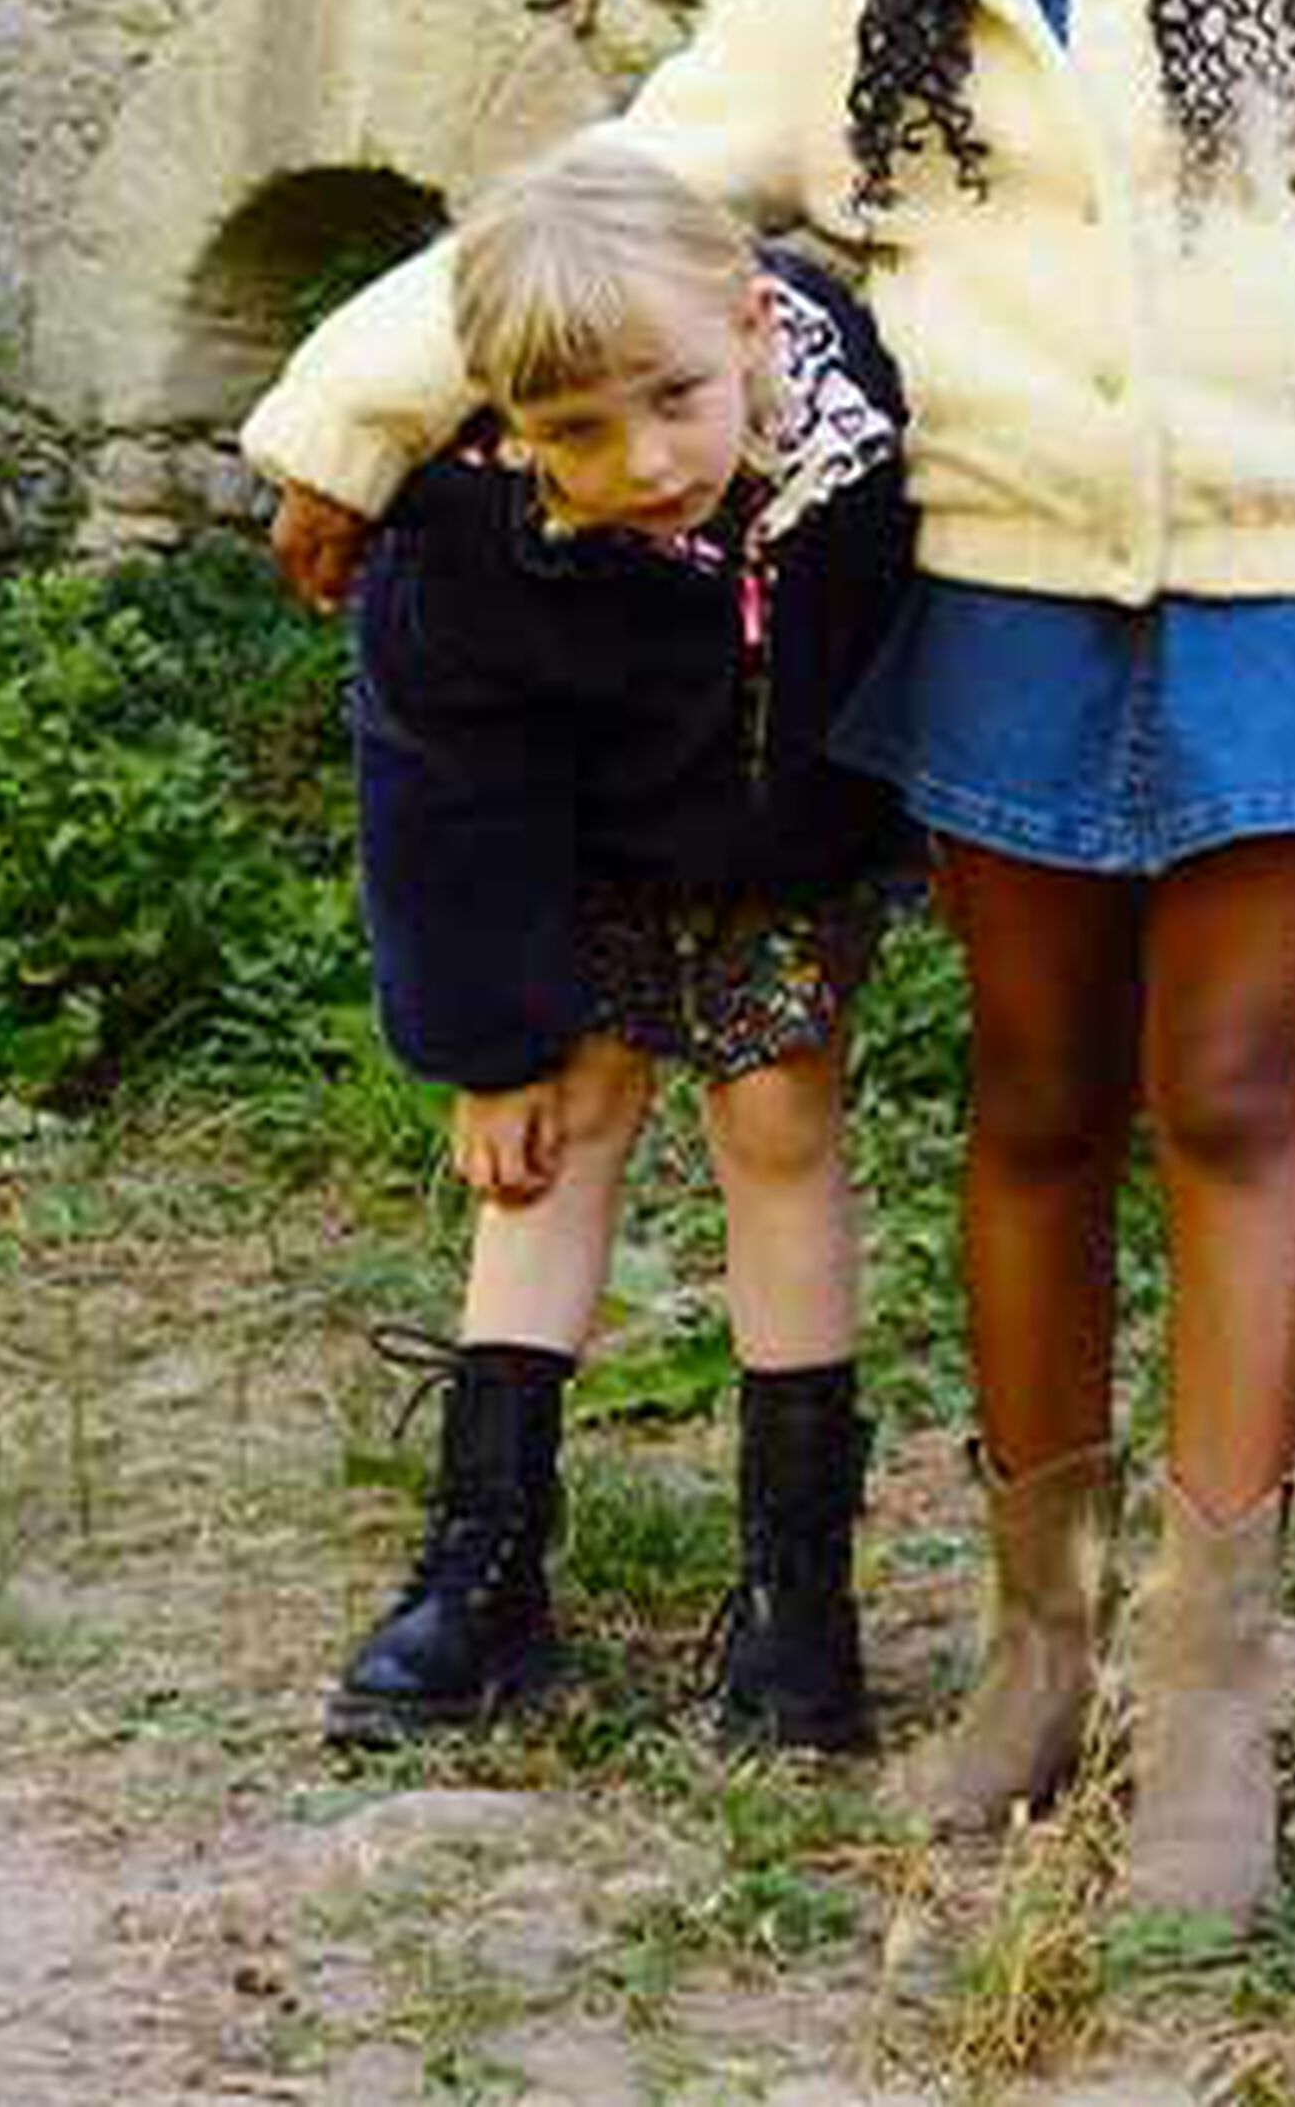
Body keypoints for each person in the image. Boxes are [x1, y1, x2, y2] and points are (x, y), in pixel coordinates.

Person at [246, 0, 1295, 1918]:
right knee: (1041, 1104)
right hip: (1011, 597)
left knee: (1239, 1091)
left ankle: (1212, 1706)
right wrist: (352, 401)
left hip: (1276, 587)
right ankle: (1035, 1661)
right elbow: (612, 200)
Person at [315, 140, 917, 1756]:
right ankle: (486, 1568)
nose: (643, 459)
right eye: (575, 431)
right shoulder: (469, 542)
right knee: (553, 1137)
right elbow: (440, 787)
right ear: (507, 418)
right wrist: (486, 1037)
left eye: (673, 399)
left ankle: (800, 1605)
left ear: (747, 329)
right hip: (566, 853)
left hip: (786, 836)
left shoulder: (863, 440)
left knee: (779, 1121)